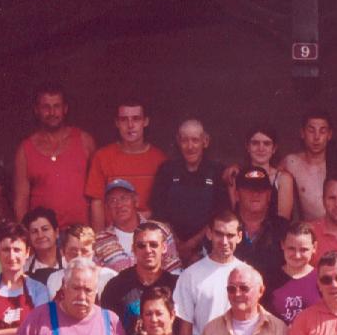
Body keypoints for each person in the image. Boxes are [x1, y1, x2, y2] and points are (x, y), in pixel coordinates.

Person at [13, 82, 95, 227]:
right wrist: (25, 234)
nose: (52, 113)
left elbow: (97, 195)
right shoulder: (25, 149)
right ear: (36, 110)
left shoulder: (85, 141)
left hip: (81, 233)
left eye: (57, 106)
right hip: (43, 234)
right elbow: (21, 200)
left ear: (65, 109)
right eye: (46, 107)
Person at [150, 117, 231, 264]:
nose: (190, 146)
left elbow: (220, 214)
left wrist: (191, 245)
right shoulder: (166, 170)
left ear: (205, 141)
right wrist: (176, 244)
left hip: (207, 247)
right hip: (169, 246)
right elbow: (159, 212)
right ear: (178, 141)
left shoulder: (217, 171)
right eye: (185, 140)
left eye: (195, 140)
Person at [86, 100, 166, 229]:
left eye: (136, 119)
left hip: (148, 233)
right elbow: (97, 203)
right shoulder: (102, 157)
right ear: (117, 123)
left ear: (145, 121)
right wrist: (100, 238)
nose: (130, 125)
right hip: (113, 234)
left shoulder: (159, 159)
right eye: (124, 120)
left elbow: (163, 206)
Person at [172, 212, 248, 335]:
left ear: (239, 237)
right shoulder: (190, 276)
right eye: (219, 234)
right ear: (209, 234)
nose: (224, 241)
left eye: (230, 235)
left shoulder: (248, 274)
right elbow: (186, 327)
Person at [99, 222, 180, 335]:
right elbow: (107, 331)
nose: (148, 250)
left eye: (153, 244)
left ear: (164, 248)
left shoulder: (176, 286)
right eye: (141, 245)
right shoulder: (116, 286)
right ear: (133, 249)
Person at [0, 224, 52, 335]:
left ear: (27, 252)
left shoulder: (39, 290)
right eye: (6, 250)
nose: (12, 256)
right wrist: (19, 334)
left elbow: (38, 330)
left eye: (17, 250)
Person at [92, 178, 181, 275]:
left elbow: (174, 271)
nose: (119, 205)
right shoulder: (100, 241)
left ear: (136, 201)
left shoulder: (160, 230)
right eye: (112, 200)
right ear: (107, 207)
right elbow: (97, 277)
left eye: (124, 198)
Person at [226, 123, 294, 220]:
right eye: (255, 143)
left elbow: (283, 220)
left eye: (267, 143)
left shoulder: (283, 179)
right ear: (247, 147)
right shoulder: (235, 175)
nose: (261, 148)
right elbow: (236, 215)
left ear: (274, 149)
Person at [233, 167, 289, 282]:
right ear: (237, 194)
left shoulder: (283, 229)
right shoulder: (224, 227)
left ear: (269, 195)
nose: (255, 194)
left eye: (261, 190)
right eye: (249, 189)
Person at [280, 111, 336, 221]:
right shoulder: (292, 162)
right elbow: (269, 176)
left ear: (329, 135)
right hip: (311, 228)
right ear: (302, 133)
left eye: (322, 131)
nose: (316, 137)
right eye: (311, 130)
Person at [262, 221, 321, 325]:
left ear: (314, 248)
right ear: (282, 245)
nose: (297, 255)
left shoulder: (323, 279)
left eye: (303, 250)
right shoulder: (267, 279)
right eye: (291, 248)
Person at [45, 225, 118, 298]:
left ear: (93, 252)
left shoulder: (108, 277)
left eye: (84, 252)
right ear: (62, 252)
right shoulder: (54, 279)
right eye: (73, 252)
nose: (79, 257)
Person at [21, 207, 62, 286]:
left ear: (56, 232)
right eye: (34, 231)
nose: (40, 235)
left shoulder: (69, 262)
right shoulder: (23, 268)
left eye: (45, 229)